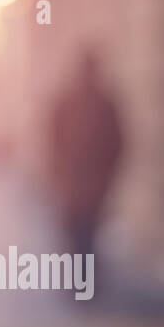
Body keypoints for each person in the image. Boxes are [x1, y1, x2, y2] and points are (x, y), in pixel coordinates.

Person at [48, 48, 125, 258]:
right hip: (82, 185)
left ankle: (81, 278)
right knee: (83, 233)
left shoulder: (99, 103)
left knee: (81, 233)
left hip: (82, 185)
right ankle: (83, 278)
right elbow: (53, 141)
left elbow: (117, 143)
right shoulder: (96, 103)